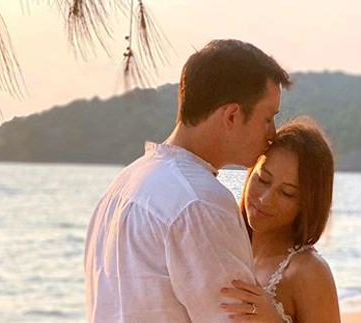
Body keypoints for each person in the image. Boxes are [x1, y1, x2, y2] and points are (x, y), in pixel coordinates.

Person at [83, 39, 291, 323]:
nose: (273, 134)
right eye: (267, 119)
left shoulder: (124, 184)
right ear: (232, 115)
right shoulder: (200, 201)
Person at [220, 117, 341, 322]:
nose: (265, 199)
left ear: (307, 203)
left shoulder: (308, 272)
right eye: (263, 179)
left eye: (286, 193)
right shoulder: (226, 246)